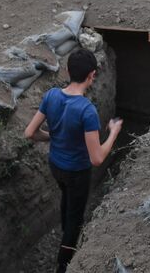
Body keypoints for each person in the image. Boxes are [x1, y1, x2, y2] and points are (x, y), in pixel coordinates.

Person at [24, 48, 123, 273]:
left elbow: (30, 133)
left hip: (56, 166)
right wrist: (114, 132)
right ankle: (64, 264)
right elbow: (97, 158)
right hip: (77, 172)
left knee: (67, 198)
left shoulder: (51, 96)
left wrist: (51, 136)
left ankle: (64, 228)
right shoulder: (86, 111)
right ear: (92, 75)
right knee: (76, 218)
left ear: (68, 71)